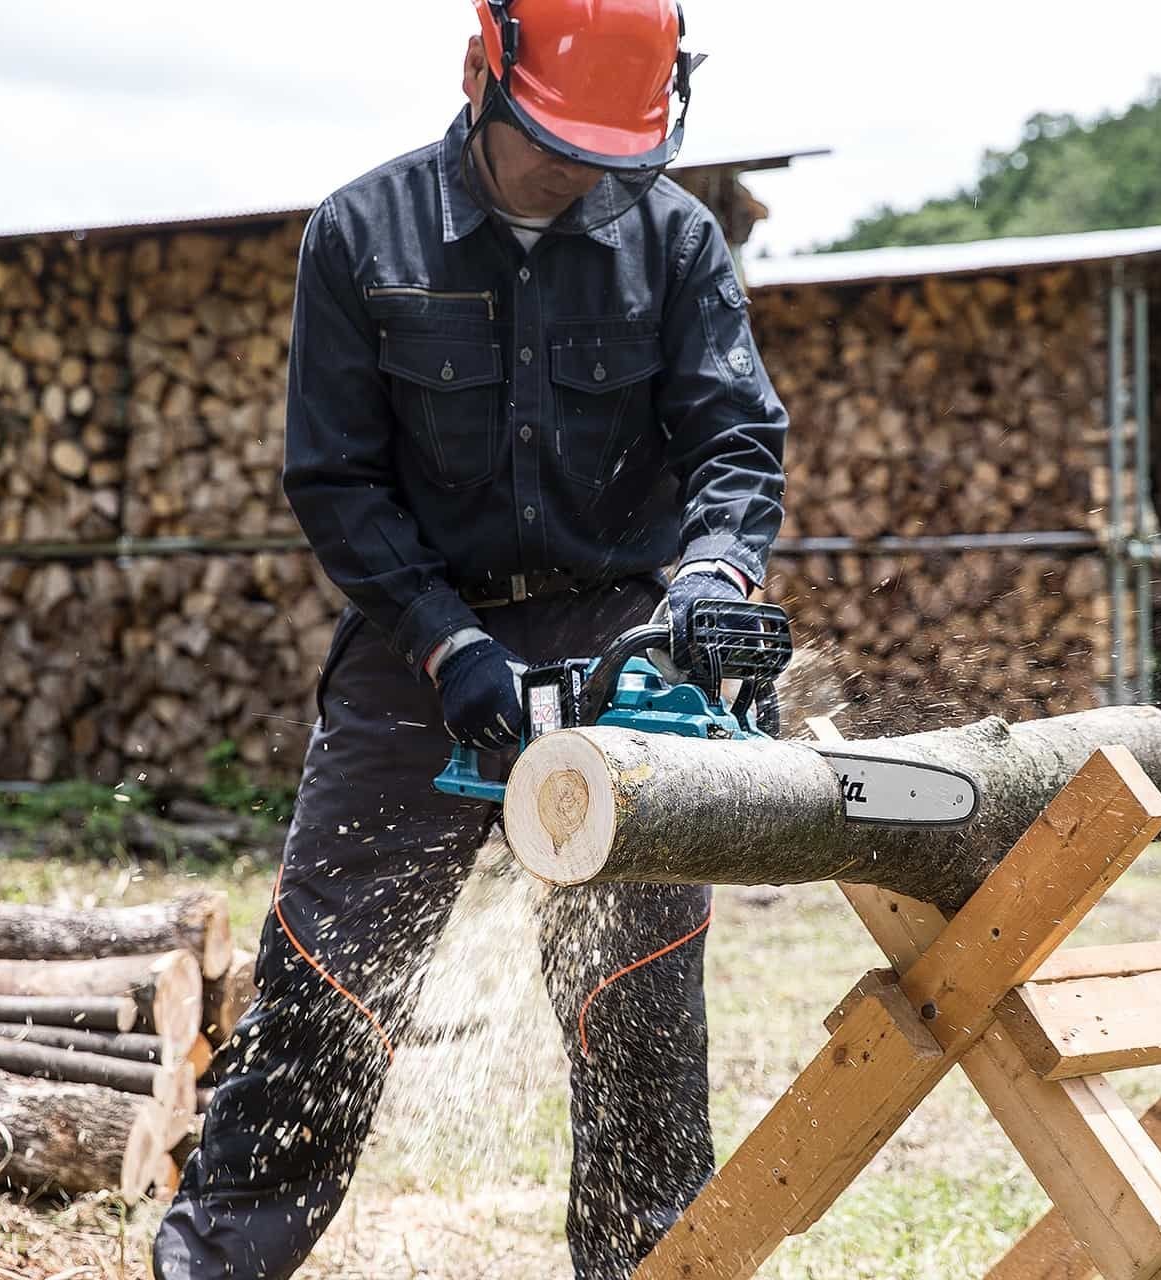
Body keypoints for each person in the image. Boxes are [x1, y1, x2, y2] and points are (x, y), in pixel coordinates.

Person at [154, 2, 788, 1276]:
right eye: (558, 141)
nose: (582, 171)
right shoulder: (361, 233)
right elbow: (335, 480)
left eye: (612, 149)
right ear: (478, 75)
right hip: (417, 640)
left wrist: (714, 575)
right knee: (324, 986)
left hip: (622, 631)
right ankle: (218, 1256)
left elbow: (735, 437)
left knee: (642, 1009)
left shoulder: (674, 240)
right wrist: (449, 645)